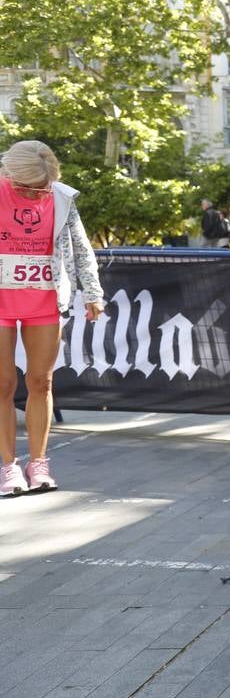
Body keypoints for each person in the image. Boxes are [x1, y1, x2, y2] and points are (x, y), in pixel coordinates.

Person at [0, 141, 105, 498]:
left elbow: (81, 247)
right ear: (9, 173)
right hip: (1, 300)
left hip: (45, 298)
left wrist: (92, 292)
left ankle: (39, 463)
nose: (33, 194)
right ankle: (8, 466)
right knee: (3, 385)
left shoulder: (61, 198)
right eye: (26, 188)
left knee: (41, 381)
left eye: (40, 189)